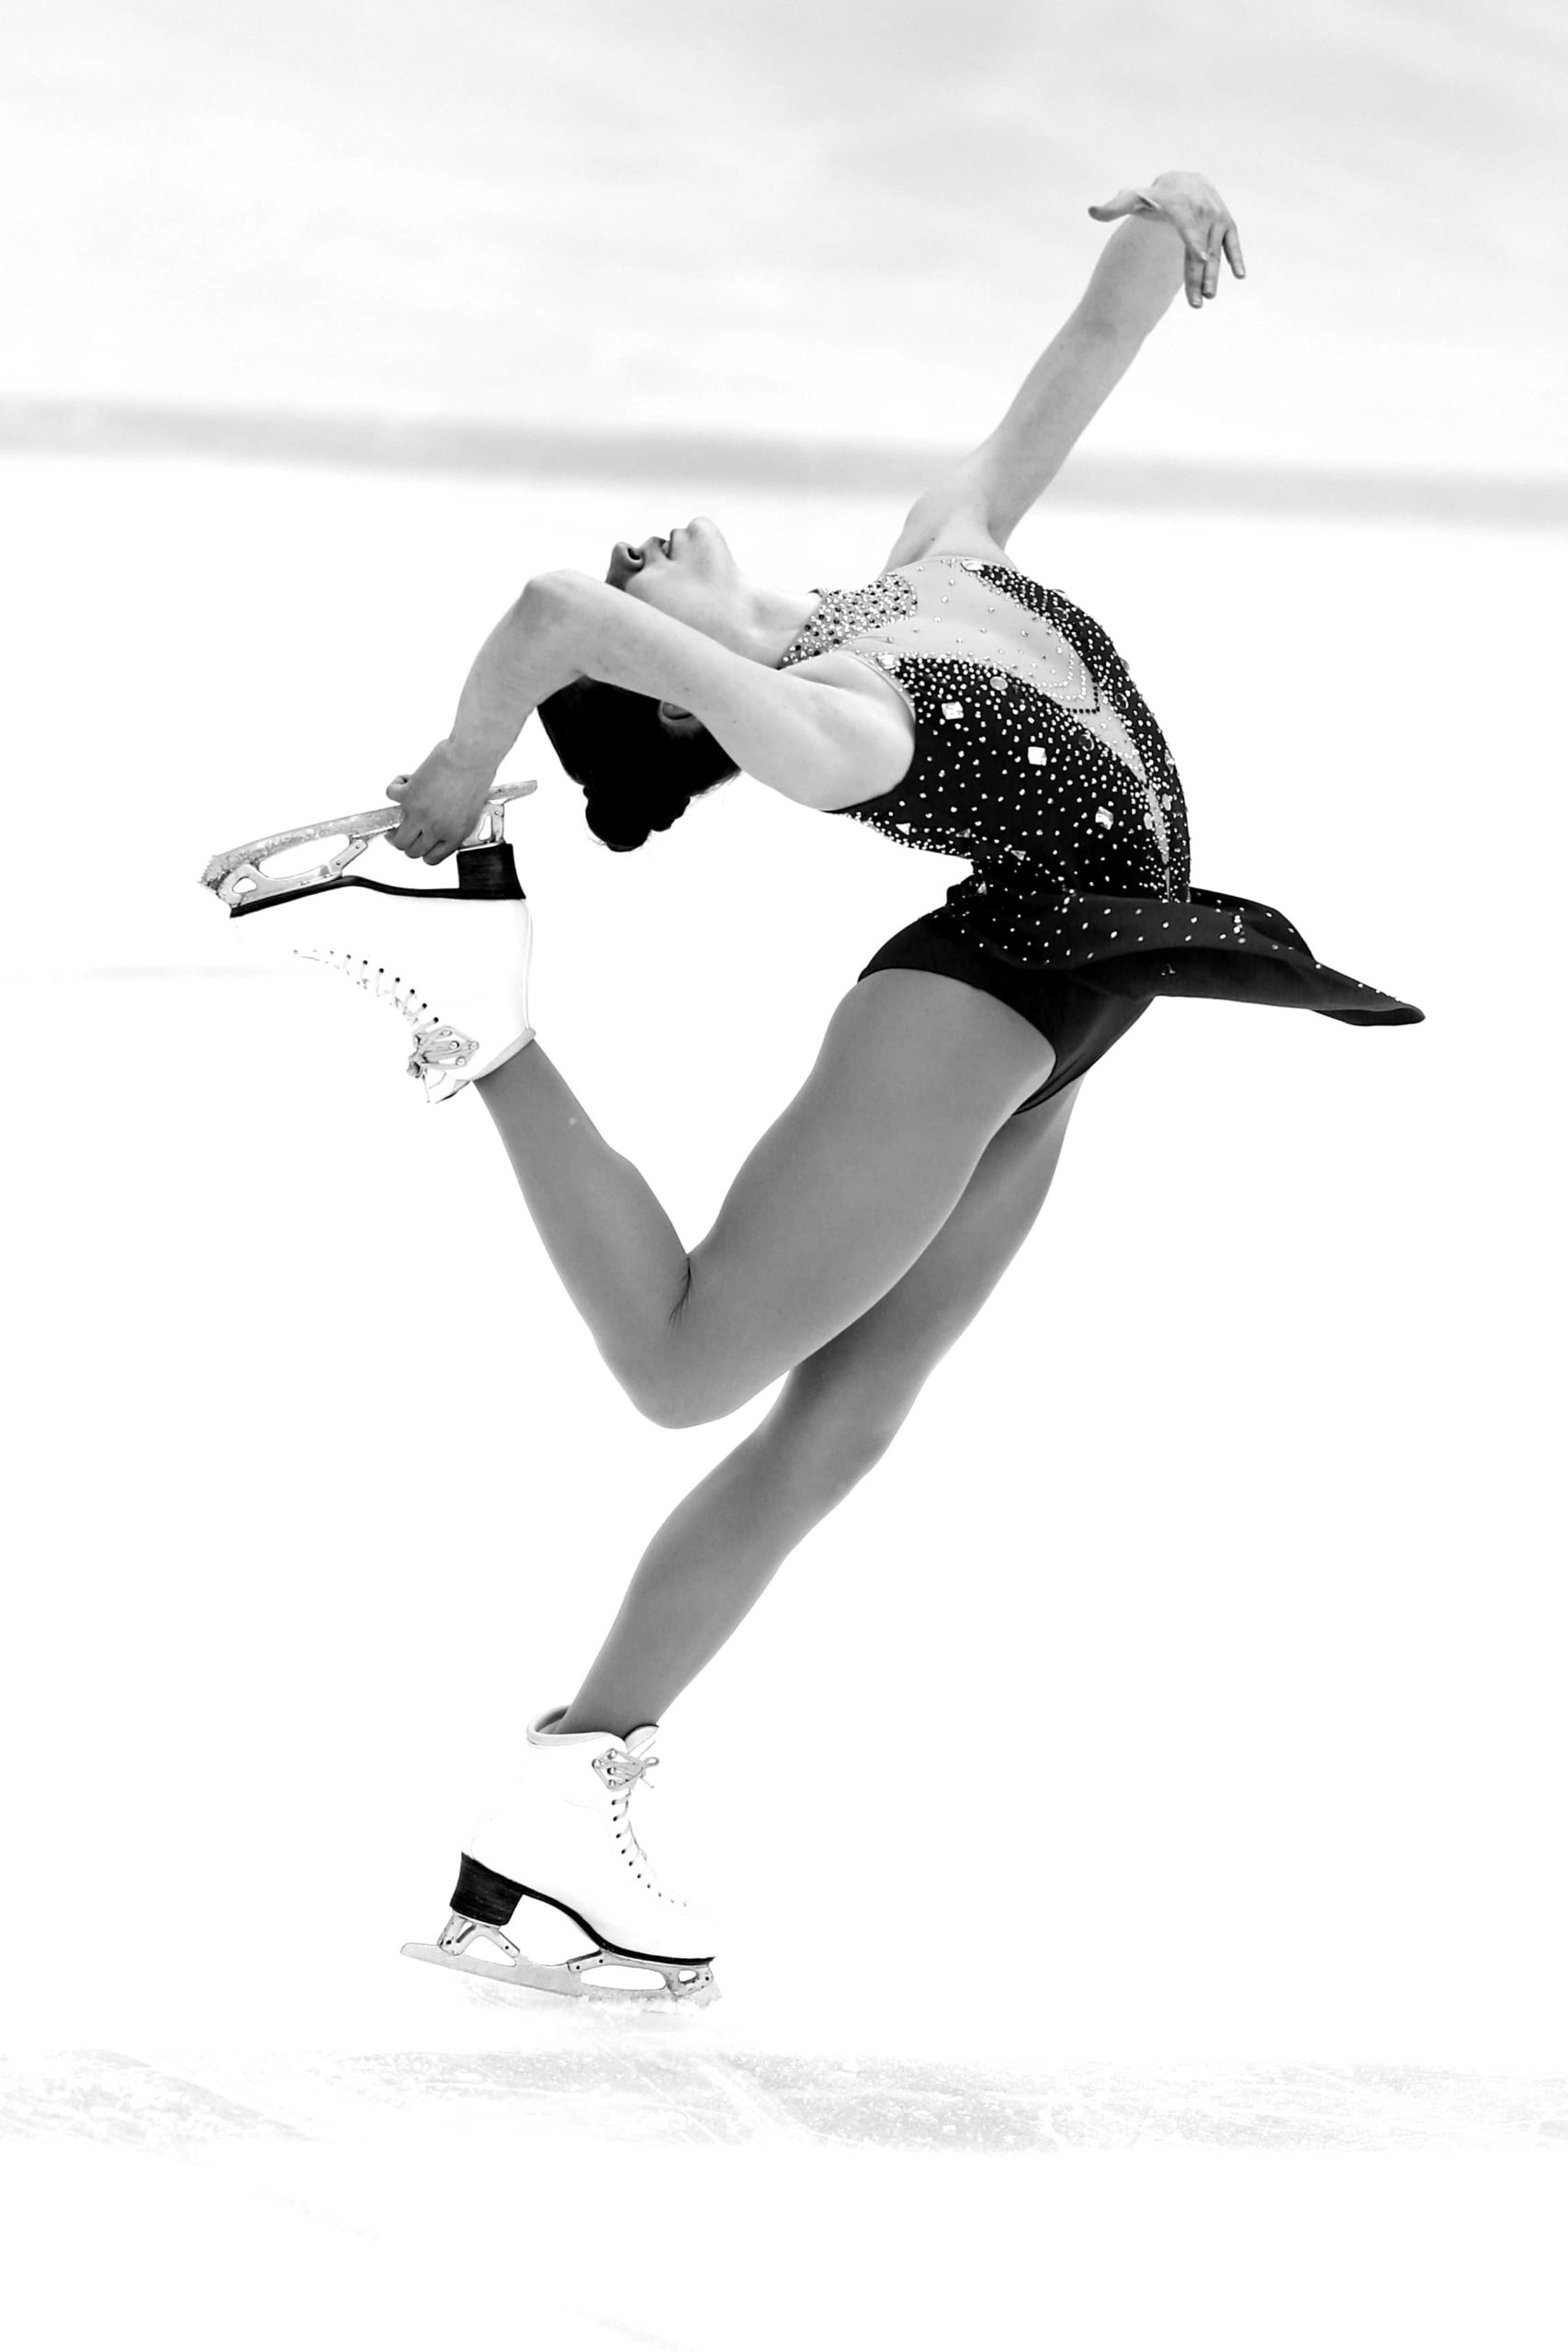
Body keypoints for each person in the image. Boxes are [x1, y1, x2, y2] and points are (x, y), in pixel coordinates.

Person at [221, 172, 1421, 2004]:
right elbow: (553, 604)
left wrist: (1159, 224)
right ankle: (482, 1015)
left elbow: (1080, 353)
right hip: (986, 997)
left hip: (1081, 996)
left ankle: (560, 1811)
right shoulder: (841, 723)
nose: (637, 550)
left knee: (841, 1426)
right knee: (685, 1365)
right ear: (695, 696)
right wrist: (453, 793)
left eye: (644, 566)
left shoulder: (935, 560)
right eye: (654, 596)